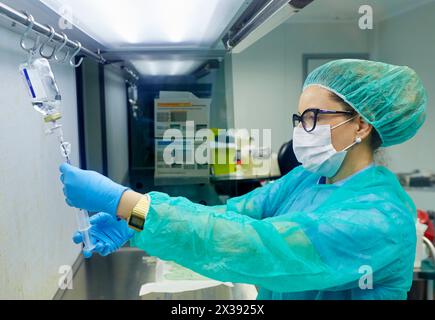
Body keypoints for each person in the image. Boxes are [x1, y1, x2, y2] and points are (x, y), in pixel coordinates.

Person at [60, 59, 427, 300]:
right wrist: (135, 221)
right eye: (299, 119)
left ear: (360, 124)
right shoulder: (305, 179)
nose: (302, 130)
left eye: (313, 117)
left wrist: (126, 201)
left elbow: (259, 245)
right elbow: (231, 218)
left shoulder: (380, 219)